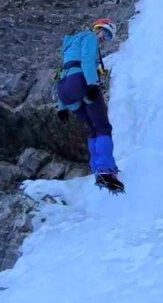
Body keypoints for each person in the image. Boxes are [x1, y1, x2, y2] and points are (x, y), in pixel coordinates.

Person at [56, 18, 125, 194]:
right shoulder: (89, 37)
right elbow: (87, 60)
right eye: (105, 33)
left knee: (93, 128)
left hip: (65, 90)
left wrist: (61, 107)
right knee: (103, 127)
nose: (104, 38)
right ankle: (106, 170)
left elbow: (62, 73)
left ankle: (96, 170)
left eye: (108, 37)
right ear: (98, 28)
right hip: (81, 82)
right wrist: (92, 83)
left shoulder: (70, 45)